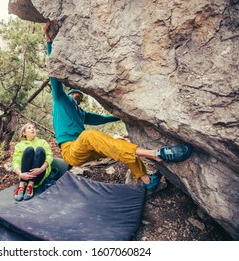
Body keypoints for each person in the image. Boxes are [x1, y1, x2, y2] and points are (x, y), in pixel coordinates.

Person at [49, 77, 192, 191]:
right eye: (76, 94)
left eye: (81, 97)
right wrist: (49, 43)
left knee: (120, 146)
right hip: (71, 152)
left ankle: (147, 181)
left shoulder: (81, 113)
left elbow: (102, 119)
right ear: (69, 93)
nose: (79, 98)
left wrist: (121, 116)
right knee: (88, 135)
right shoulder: (60, 100)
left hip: (88, 150)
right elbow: (54, 76)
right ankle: (156, 154)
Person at [11, 123, 54, 201]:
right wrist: (20, 174)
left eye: (33, 127)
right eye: (29, 128)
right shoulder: (19, 146)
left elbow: (49, 156)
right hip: (25, 176)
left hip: (39, 175)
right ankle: (22, 186)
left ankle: (30, 186)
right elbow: (15, 162)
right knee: (29, 149)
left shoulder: (42, 142)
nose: (32, 129)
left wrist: (41, 169)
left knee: (40, 149)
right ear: (24, 133)